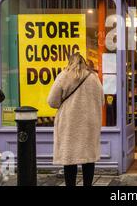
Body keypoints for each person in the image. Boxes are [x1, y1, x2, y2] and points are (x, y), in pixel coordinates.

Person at [47, 52, 104, 186]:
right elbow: (101, 100)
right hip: (90, 123)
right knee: (88, 158)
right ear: (84, 63)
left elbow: (52, 102)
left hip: (69, 123)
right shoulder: (94, 78)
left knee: (69, 158)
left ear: (70, 63)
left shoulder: (64, 76)